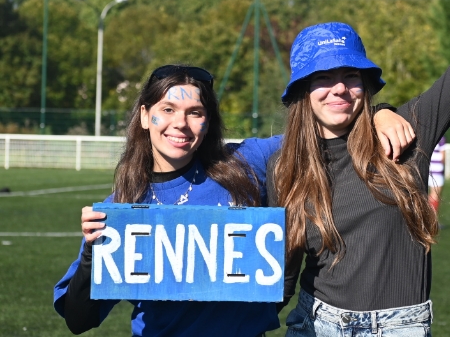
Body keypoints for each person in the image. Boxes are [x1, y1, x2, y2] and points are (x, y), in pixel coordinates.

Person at [54, 64, 412, 337]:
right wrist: (91, 255)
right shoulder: (123, 207)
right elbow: (79, 321)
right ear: (146, 116)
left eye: (195, 113)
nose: (180, 123)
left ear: (208, 123)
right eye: (167, 109)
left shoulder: (246, 162)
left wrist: (381, 111)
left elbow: (325, 124)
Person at [268, 22, 447, 336]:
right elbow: (282, 275)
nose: (339, 88)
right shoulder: (282, 166)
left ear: (365, 83)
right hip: (315, 324)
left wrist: (382, 111)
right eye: (323, 77)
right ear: (303, 90)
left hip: (401, 327)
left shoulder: (406, 133)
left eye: (351, 75)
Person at [428, 136, 446, 214]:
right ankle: (431, 219)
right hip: (437, 170)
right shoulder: (442, 138)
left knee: (432, 196)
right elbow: (443, 157)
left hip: (430, 169)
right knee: (435, 197)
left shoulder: (429, 137)